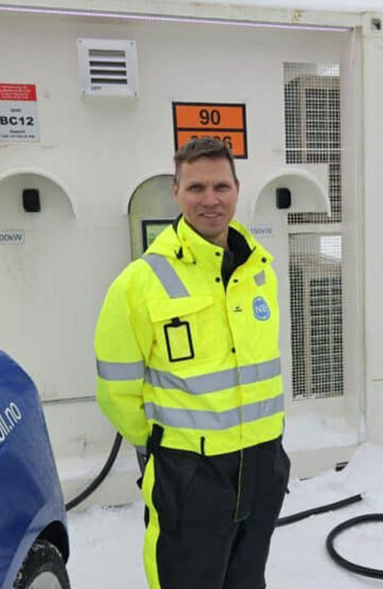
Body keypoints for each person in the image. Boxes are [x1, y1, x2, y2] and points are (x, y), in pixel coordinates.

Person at [94, 137, 289, 589]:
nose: (210, 199)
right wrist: (164, 448)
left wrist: (270, 453)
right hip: (190, 474)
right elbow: (117, 391)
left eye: (221, 186)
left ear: (237, 190)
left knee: (247, 579)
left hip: (262, 464)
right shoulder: (139, 283)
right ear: (176, 192)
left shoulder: (259, 270)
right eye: (196, 187)